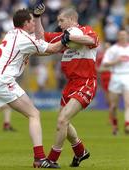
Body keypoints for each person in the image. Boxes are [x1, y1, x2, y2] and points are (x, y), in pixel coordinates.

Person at [0, 8, 70, 168]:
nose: (34, 23)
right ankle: (39, 158)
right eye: (32, 21)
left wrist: (55, 44)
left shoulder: (12, 34)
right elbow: (51, 49)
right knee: (34, 114)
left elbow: (37, 50)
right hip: (2, 80)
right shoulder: (25, 38)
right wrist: (67, 38)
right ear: (26, 23)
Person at [33, 4, 99, 167]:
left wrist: (69, 37)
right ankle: (80, 152)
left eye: (62, 20)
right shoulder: (63, 36)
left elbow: (92, 40)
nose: (59, 24)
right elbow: (41, 37)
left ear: (72, 20)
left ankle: (52, 160)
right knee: (64, 122)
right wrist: (36, 18)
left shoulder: (84, 30)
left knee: (62, 120)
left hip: (86, 82)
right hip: (71, 84)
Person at [102, 30, 129, 135]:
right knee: (113, 106)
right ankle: (115, 125)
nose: (122, 37)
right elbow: (105, 64)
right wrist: (116, 61)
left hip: (127, 75)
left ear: (127, 36)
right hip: (116, 76)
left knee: (127, 103)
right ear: (118, 37)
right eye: (120, 35)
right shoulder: (112, 50)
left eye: (124, 35)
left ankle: (127, 124)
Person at [96, 42, 112, 123]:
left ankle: (111, 118)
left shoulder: (113, 57)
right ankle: (112, 117)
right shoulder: (100, 57)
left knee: (111, 100)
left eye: (108, 47)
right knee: (108, 101)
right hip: (104, 80)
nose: (107, 49)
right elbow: (97, 69)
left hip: (112, 80)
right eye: (105, 47)